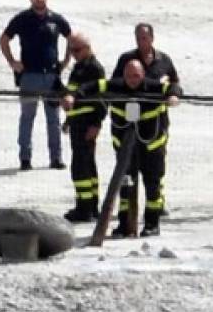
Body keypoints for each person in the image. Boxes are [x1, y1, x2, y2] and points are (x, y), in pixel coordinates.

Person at [64, 60, 181, 237]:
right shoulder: (116, 85)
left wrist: (173, 96)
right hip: (125, 147)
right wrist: (73, 95)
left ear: (143, 75)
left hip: (152, 146)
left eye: (136, 76)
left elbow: (173, 87)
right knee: (126, 185)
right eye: (128, 76)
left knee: (152, 186)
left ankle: (151, 223)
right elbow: (91, 86)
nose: (132, 80)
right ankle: (125, 224)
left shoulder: (153, 86)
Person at [0, 0, 72, 171]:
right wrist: (12, 62)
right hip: (29, 76)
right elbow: (4, 39)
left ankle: (56, 158)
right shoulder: (22, 19)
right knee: (27, 118)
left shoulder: (56, 19)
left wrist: (65, 61)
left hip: (51, 77)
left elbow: (71, 38)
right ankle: (25, 158)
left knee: (53, 119)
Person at [111, 23, 180, 215]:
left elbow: (175, 82)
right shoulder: (126, 59)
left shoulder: (164, 60)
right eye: (138, 37)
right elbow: (114, 85)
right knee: (127, 170)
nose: (141, 41)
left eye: (144, 37)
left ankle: (156, 205)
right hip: (128, 125)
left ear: (152, 38)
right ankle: (127, 213)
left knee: (155, 169)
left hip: (155, 125)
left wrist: (172, 94)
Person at [62, 32, 106, 222]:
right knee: (85, 165)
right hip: (78, 123)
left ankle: (85, 208)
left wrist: (96, 124)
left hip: (87, 124)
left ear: (88, 49)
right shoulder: (79, 67)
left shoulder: (94, 68)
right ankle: (89, 205)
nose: (74, 53)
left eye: (77, 50)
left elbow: (102, 99)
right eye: (71, 50)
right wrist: (68, 121)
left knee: (81, 167)